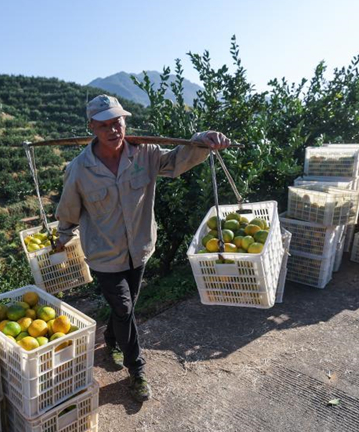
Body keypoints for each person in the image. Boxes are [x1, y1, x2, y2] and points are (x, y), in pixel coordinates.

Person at [53, 94, 231, 402]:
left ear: (125, 122)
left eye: (117, 121)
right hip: (104, 255)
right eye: (105, 124)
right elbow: (68, 208)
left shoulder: (145, 154)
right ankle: (137, 371)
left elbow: (177, 160)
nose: (113, 130)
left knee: (126, 308)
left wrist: (202, 140)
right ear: (92, 127)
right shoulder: (80, 169)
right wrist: (63, 234)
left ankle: (110, 340)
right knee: (123, 308)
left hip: (140, 247)